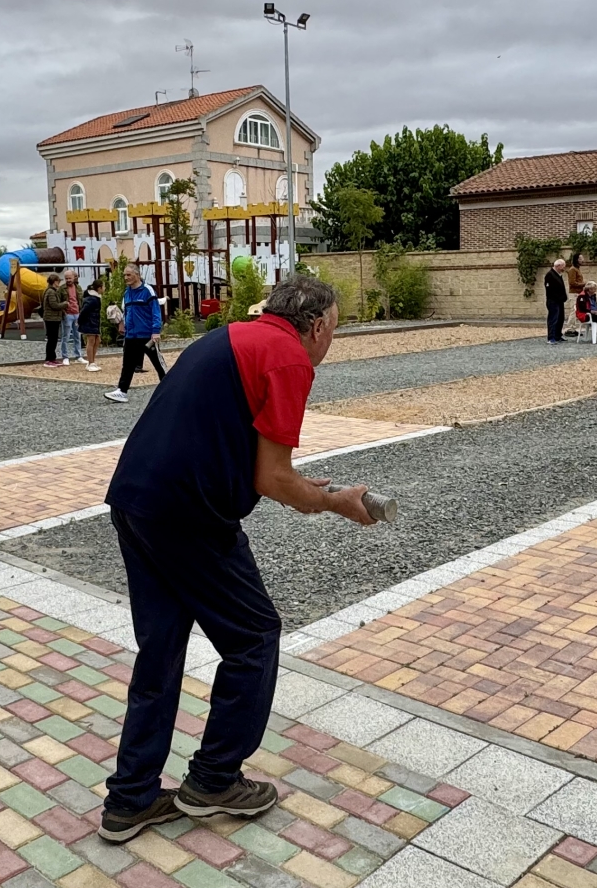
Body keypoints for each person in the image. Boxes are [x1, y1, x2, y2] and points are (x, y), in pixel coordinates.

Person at [96, 275, 375, 842]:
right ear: (317, 325)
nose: (329, 343)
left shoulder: (230, 337)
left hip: (134, 498)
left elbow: (233, 443)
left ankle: (131, 800)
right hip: (188, 513)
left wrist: (301, 484)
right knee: (253, 636)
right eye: (334, 331)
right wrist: (331, 501)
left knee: (162, 650)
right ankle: (215, 780)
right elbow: (270, 478)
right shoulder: (289, 358)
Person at [105, 264, 166, 403]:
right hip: (131, 335)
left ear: (137, 275)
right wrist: (122, 324)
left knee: (158, 363)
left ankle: (171, 387)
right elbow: (126, 311)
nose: (126, 278)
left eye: (129, 275)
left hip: (147, 335)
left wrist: (156, 331)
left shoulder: (148, 291)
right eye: (125, 275)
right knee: (128, 364)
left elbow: (156, 311)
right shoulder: (127, 293)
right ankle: (122, 391)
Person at [41, 273, 66, 367]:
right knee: (52, 339)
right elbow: (54, 305)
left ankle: (52, 358)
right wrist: (64, 304)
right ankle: (49, 359)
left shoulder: (51, 291)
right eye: (58, 281)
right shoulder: (51, 292)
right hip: (51, 318)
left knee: (54, 339)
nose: (59, 283)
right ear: (54, 282)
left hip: (53, 318)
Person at [79, 278, 103, 372]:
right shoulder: (92, 299)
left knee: (97, 341)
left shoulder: (96, 298)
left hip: (94, 322)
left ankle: (91, 361)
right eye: (103, 287)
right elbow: (84, 310)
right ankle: (90, 362)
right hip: (90, 322)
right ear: (99, 288)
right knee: (91, 341)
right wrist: (80, 320)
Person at [61, 269, 84, 364]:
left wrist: (81, 311)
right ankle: (65, 356)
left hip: (77, 313)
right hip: (68, 314)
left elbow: (80, 300)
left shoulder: (78, 288)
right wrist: (64, 312)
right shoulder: (62, 288)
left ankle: (78, 355)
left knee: (77, 335)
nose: (68, 280)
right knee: (65, 336)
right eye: (66, 278)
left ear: (74, 278)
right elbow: (59, 301)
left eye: (69, 278)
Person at [544, 259, 568, 344]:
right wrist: (558, 298)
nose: (564, 268)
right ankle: (551, 337)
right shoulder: (550, 275)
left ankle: (558, 335)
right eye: (563, 266)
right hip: (553, 301)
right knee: (553, 319)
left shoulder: (558, 275)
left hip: (559, 301)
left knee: (560, 318)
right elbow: (550, 290)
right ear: (558, 266)